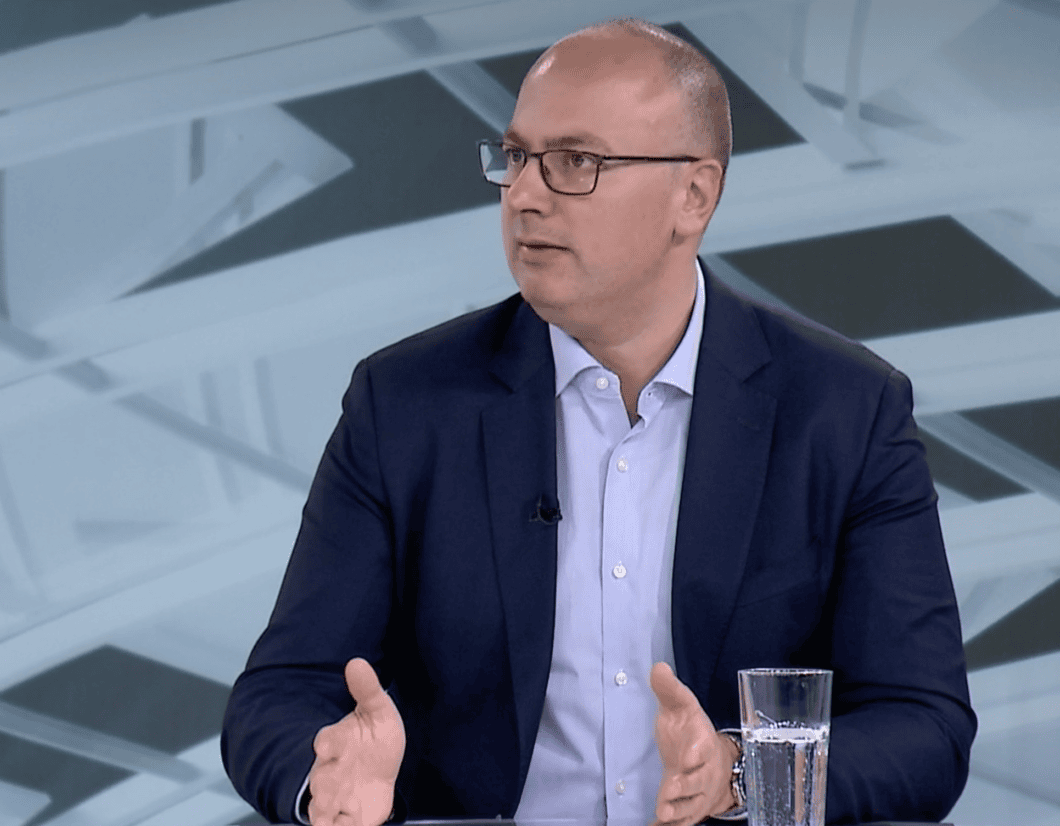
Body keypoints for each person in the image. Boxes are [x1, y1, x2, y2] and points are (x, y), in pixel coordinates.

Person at [222, 18, 976, 826]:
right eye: (516, 157)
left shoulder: (843, 410)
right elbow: (281, 694)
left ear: (694, 195)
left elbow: (923, 728)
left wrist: (741, 773)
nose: (524, 194)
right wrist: (326, 782)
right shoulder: (405, 404)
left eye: (575, 162)